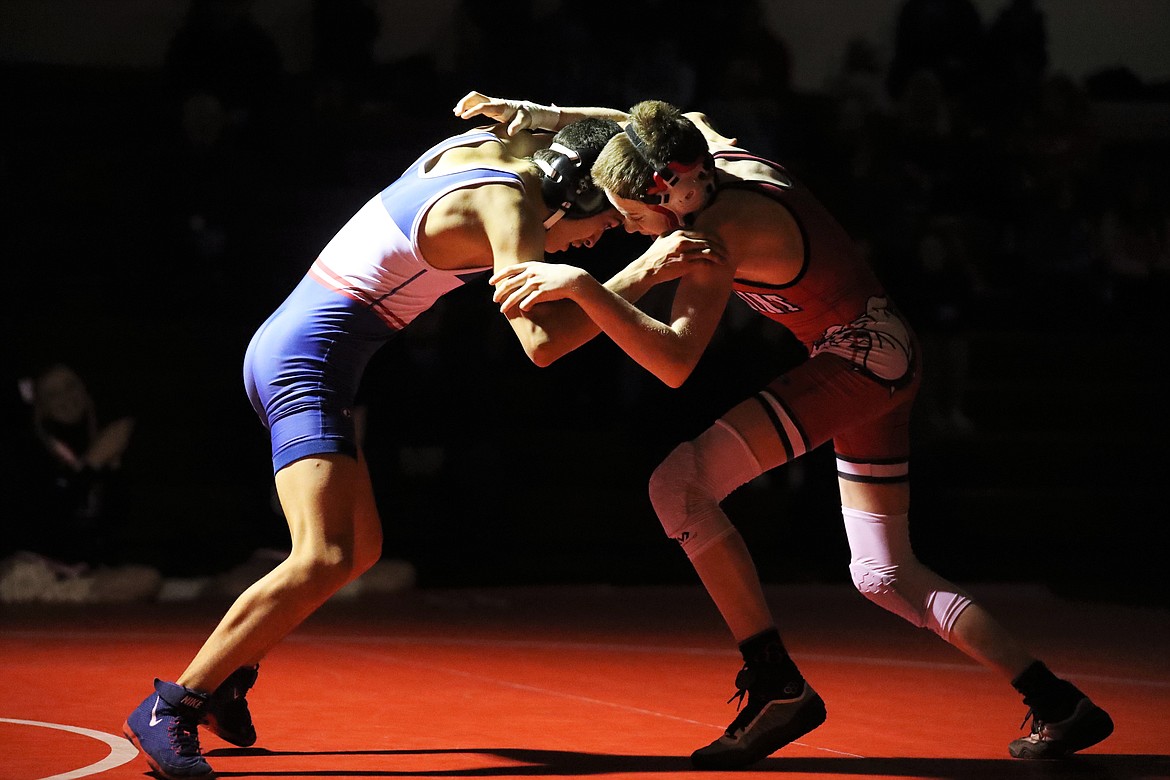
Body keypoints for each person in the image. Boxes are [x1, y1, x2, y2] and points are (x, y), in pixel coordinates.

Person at [467, 94, 1114, 768]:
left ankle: (777, 684)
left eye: (634, 218)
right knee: (884, 574)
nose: (632, 231)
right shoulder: (712, 156)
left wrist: (582, 285)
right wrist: (543, 114)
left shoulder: (715, 235)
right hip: (883, 355)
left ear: (670, 193)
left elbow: (675, 361)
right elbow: (655, 117)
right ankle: (1057, 700)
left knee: (679, 486)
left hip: (862, 362)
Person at [122, 103, 723, 780]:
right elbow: (543, 343)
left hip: (321, 354)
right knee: (321, 554)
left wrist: (539, 111)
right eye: (604, 223)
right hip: (305, 361)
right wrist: (642, 271)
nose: (595, 240)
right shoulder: (511, 211)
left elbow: (624, 123)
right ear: (574, 190)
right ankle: (173, 704)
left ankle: (230, 672)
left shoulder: (496, 146)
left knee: (360, 550)